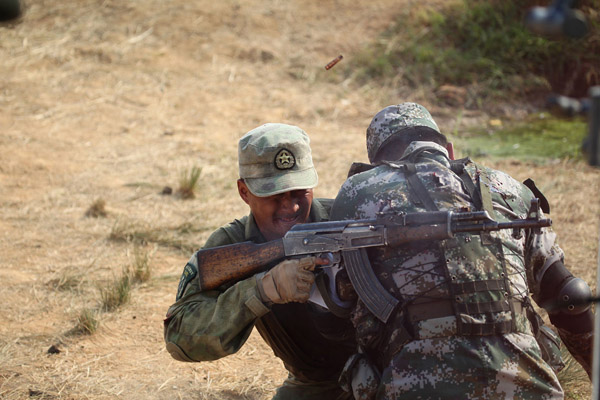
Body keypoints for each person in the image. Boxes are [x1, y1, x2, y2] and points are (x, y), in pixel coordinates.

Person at [330, 103, 593, 399]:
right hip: (528, 386)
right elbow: (569, 294)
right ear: (449, 150)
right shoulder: (509, 188)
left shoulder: (359, 192)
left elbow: (338, 302)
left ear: (377, 165)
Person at [164, 123, 355, 400]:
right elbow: (180, 336)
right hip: (316, 383)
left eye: (300, 191)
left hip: (386, 370)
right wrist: (262, 290)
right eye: (275, 196)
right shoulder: (231, 246)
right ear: (244, 192)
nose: (291, 207)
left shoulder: (348, 220)